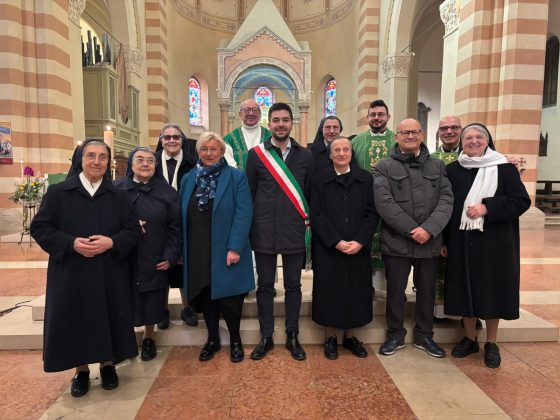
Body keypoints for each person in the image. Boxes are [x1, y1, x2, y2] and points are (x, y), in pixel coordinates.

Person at [30, 139, 140, 397]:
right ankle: (80, 370)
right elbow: (41, 228)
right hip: (72, 271)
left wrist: (112, 242)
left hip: (109, 270)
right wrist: (71, 244)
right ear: (80, 158)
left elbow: (133, 231)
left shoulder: (119, 196)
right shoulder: (59, 193)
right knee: (75, 318)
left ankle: (108, 365)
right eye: (91, 155)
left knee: (108, 315)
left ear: (108, 162)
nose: (96, 161)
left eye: (102, 157)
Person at [443, 123, 530, 369]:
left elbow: (521, 201)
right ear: (461, 143)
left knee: (493, 289)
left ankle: (491, 342)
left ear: (487, 140)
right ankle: (470, 338)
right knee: (464, 288)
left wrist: (488, 207)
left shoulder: (504, 167)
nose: (473, 141)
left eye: (479, 137)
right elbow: (447, 207)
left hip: (495, 242)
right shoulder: (453, 169)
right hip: (461, 239)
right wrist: (445, 240)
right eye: (468, 137)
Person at [374, 119, 453, 358]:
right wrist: (411, 229)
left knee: (427, 291)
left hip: (429, 241)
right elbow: (384, 202)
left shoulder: (437, 165)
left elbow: (446, 199)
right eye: (405, 132)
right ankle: (395, 334)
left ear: (422, 135)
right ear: (396, 136)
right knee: (395, 291)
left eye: (415, 132)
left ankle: (424, 335)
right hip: (396, 241)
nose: (410, 136)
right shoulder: (384, 166)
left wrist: (429, 229)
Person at [245, 102, 314, 361]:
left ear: (291, 122)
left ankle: (292, 335)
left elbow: (310, 195)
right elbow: (249, 194)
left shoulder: (305, 156)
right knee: (264, 286)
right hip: (264, 230)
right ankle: (266, 336)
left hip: (294, 231)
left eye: (285, 120)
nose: (281, 124)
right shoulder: (256, 155)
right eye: (276, 120)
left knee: (293, 286)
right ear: (269, 123)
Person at [180, 132, 254, 363]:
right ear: (198, 152)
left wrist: (235, 247)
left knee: (231, 299)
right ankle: (212, 338)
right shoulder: (188, 178)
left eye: (214, 149)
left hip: (226, 248)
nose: (209, 153)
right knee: (206, 296)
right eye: (204, 149)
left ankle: (235, 340)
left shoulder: (236, 177)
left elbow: (244, 213)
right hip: (197, 248)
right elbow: (181, 213)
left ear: (222, 152)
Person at [310, 137, 378, 360]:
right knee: (330, 291)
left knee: (355, 291)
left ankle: (350, 337)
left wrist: (359, 241)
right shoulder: (319, 179)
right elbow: (316, 213)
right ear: (330, 154)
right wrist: (336, 241)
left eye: (345, 149)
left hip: (358, 247)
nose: (341, 153)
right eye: (336, 150)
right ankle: (330, 337)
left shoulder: (365, 178)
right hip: (329, 247)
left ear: (351, 153)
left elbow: (371, 213)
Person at [114, 147, 181, 361]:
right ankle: (123, 343)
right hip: (122, 256)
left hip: (154, 254)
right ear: (131, 164)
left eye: (150, 161)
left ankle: (149, 337)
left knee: (152, 299)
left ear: (156, 165)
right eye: (140, 160)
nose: (145, 164)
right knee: (123, 298)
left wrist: (170, 255)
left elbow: (176, 228)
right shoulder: (116, 189)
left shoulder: (167, 192)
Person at [154, 123, 198, 329]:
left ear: (183, 141)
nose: (171, 140)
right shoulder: (151, 162)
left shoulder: (193, 163)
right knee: (161, 265)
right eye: (167, 137)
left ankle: (187, 307)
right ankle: (161, 309)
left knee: (184, 266)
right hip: (158, 223)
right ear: (161, 140)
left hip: (185, 221)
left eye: (176, 137)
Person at [224, 99, 271, 169]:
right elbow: (230, 165)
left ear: (260, 114)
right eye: (247, 110)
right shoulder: (229, 140)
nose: (251, 113)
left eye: (255, 110)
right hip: (238, 176)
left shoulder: (271, 137)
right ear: (240, 114)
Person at [352, 99, 395, 173]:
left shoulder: (397, 140)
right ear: (367, 117)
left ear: (388, 117)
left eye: (381, 114)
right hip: (364, 180)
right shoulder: (356, 141)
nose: (376, 118)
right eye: (372, 115)